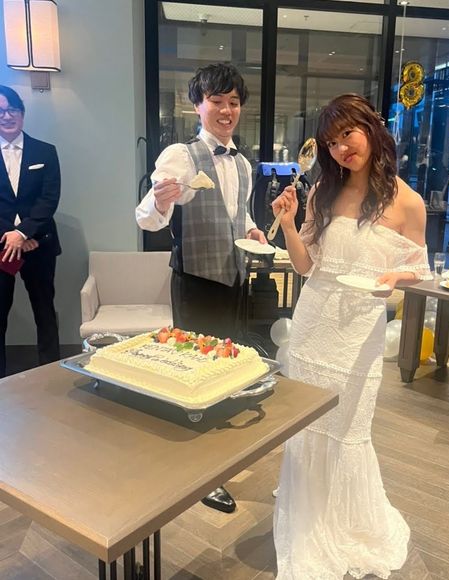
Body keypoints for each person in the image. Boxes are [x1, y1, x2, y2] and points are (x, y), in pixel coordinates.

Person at [271, 94, 431, 579]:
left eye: (348, 134)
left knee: (349, 428)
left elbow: (418, 268)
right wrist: (287, 223)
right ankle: (308, 507)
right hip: (313, 325)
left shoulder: (408, 201)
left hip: (359, 332)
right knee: (308, 423)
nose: (342, 148)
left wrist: (395, 279)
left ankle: (346, 521)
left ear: (371, 130)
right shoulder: (323, 191)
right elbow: (306, 266)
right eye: (332, 142)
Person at [136, 63, 266, 514]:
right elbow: (146, 218)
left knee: (225, 368)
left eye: (234, 102)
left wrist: (252, 231)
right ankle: (198, 472)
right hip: (195, 281)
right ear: (197, 105)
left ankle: (218, 457)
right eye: (217, 101)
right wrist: (160, 200)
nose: (226, 110)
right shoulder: (180, 155)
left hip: (234, 278)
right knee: (193, 373)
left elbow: (237, 214)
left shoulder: (243, 163)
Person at [0, 85, 61, 378]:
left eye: (12, 109)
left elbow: (49, 198)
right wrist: (10, 236)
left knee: (44, 311)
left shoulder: (45, 151)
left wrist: (24, 233)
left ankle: (51, 373)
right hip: (1, 246)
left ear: (22, 114)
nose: (7, 116)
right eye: (0, 111)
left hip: (39, 244)